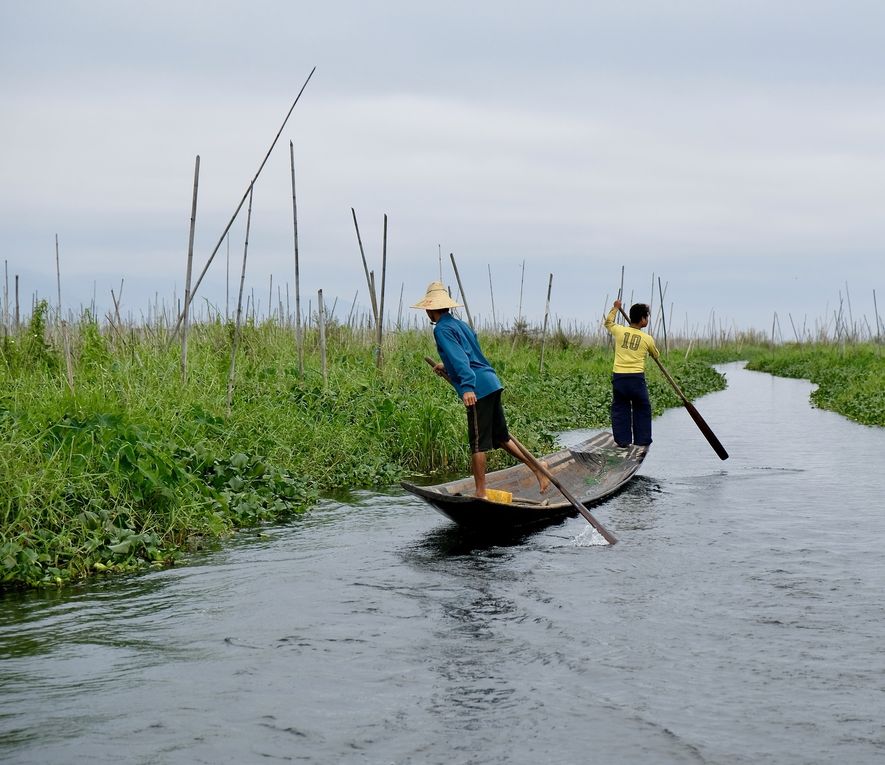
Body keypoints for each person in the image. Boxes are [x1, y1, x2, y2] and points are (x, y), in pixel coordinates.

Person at [412, 281, 550, 499]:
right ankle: (538, 469)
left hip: (477, 388)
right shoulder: (460, 325)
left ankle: (480, 493)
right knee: (502, 438)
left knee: (477, 444)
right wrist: (445, 367)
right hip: (491, 382)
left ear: (430, 308)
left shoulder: (442, 329)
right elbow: (468, 354)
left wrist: (467, 387)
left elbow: (460, 358)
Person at [604, 299, 661, 448]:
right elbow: (656, 355)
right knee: (642, 407)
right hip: (636, 380)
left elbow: (608, 323)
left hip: (619, 379)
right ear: (642, 319)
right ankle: (641, 441)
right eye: (646, 317)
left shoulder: (620, 331)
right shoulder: (647, 339)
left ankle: (623, 441)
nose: (647, 319)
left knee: (620, 408)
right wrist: (652, 350)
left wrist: (615, 308)